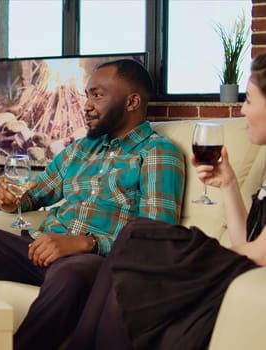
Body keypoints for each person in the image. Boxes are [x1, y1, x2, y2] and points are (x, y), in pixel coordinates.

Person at [0, 59, 186, 350]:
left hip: (94, 264)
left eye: (97, 95)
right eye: (87, 94)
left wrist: (87, 243)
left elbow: (156, 241)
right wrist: (13, 200)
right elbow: (37, 193)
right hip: (37, 250)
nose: (86, 104)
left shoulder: (157, 153)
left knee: (70, 274)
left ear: (132, 101)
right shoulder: (81, 148)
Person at [66, 52, 266, 350]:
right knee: (134, 258)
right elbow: (247, 242)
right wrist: (228, 184)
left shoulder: (158, 150)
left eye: (249, 100)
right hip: (243, 268)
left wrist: (192, 257)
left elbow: (259, 257)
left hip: (240, 273)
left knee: (138, 234)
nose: (241, 111)